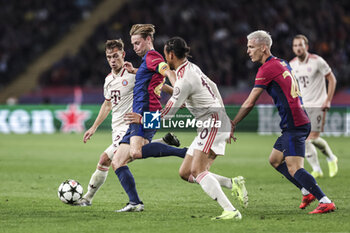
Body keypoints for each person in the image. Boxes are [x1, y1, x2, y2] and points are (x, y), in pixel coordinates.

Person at [126, 37, 248, 220]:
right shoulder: (192, 67)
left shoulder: (183, 82)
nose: (165, 58)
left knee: (198, 171)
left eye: (166, 54)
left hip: (212, 122)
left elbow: (168, 113)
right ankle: (232, 183)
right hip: (213, 121)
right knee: (185, 172)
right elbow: (213, 87)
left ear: (171, 55)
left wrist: (142, 118)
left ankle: (230, 210)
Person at [229, 30, 335, 214]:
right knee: (275, 160)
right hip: (296, 119)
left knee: (295, 168)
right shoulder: (282, 62)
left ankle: (325, 200)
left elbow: (250, 101)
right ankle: (305, 191)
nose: (248, 51)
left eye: (251, 47)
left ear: (263, 48)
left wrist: (234, 122)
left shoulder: (266, 69)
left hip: (294, 123)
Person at [77, 39, 183, 206]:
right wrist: (94, 127)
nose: (112, 60)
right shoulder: (108, 80)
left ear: (123, 55)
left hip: (131, 124)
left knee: (107, 158)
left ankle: (88, 198)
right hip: (118, 127)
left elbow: (158, 83)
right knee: (131, 154)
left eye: (115, 56)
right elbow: (107, 104)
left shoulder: (134, 73)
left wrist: (176, 95)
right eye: (109, 57)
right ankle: (164, 143)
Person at [111, 24, 187, 212]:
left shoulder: (153, 57)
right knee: (118, 161)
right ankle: (135, 203)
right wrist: (136, 71)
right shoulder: (147, 60)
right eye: (133, 44)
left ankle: (185, 152)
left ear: (148, 40)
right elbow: (158, 82)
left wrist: (178, 92)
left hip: (146, 113)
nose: (135, 47)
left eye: (138, 43)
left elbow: (167, 72)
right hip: (142, 112)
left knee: (136, 152)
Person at [290, 35, 338, 178]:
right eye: (295, 45)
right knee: (307, 139)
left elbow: (332, 79)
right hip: (303, 106)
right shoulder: (292, 64)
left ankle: (323, 164)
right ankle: (326, 162)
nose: (298, 48)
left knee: (309, 138)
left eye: (300, 45)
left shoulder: (317, 61)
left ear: (306, 47)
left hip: (318, 105)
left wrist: (328, 100)